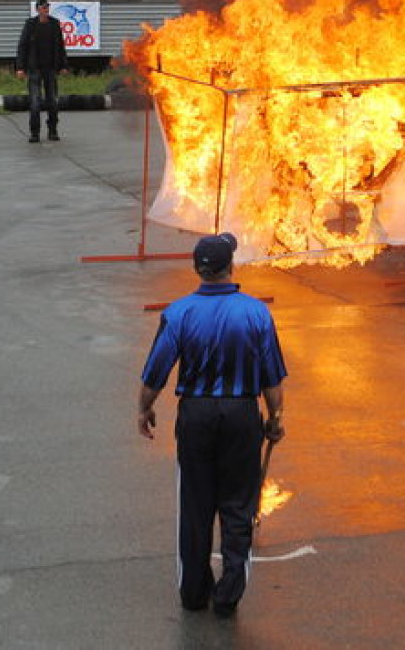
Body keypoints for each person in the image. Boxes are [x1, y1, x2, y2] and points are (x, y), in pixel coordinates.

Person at [137, 232, 287, 617]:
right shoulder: (255, 312)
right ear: (230, 267)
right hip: (241, 415)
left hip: (197, 416)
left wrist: (145, 408)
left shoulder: (179, 312)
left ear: (197, 270)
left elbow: (156, 371)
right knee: (239, 504)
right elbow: (271, 376)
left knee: (196, 503)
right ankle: (228, 594)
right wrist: (275, 417)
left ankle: (193, 592)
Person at [15, 0, 68, 143]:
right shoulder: (30, 25)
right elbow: (22, 47)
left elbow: (61, 46)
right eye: (43, 7)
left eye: (47, 7)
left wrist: (63, 65)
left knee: (53, 101)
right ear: (37, 9)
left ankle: (52, 130)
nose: (46, 10)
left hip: (50, 68)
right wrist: (20, 67)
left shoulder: (54, 24)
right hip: (34, 69)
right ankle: (35, 133)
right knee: (35, 102)